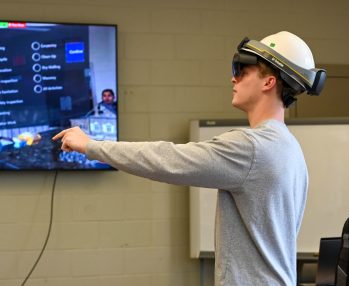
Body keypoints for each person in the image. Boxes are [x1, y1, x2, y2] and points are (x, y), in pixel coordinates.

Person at [53, 31, 326, 285]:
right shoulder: (290, 147)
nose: (234, 78)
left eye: (242, 71)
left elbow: (165, 159)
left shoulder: (251, 148)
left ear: (269, 81)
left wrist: (90, 145)